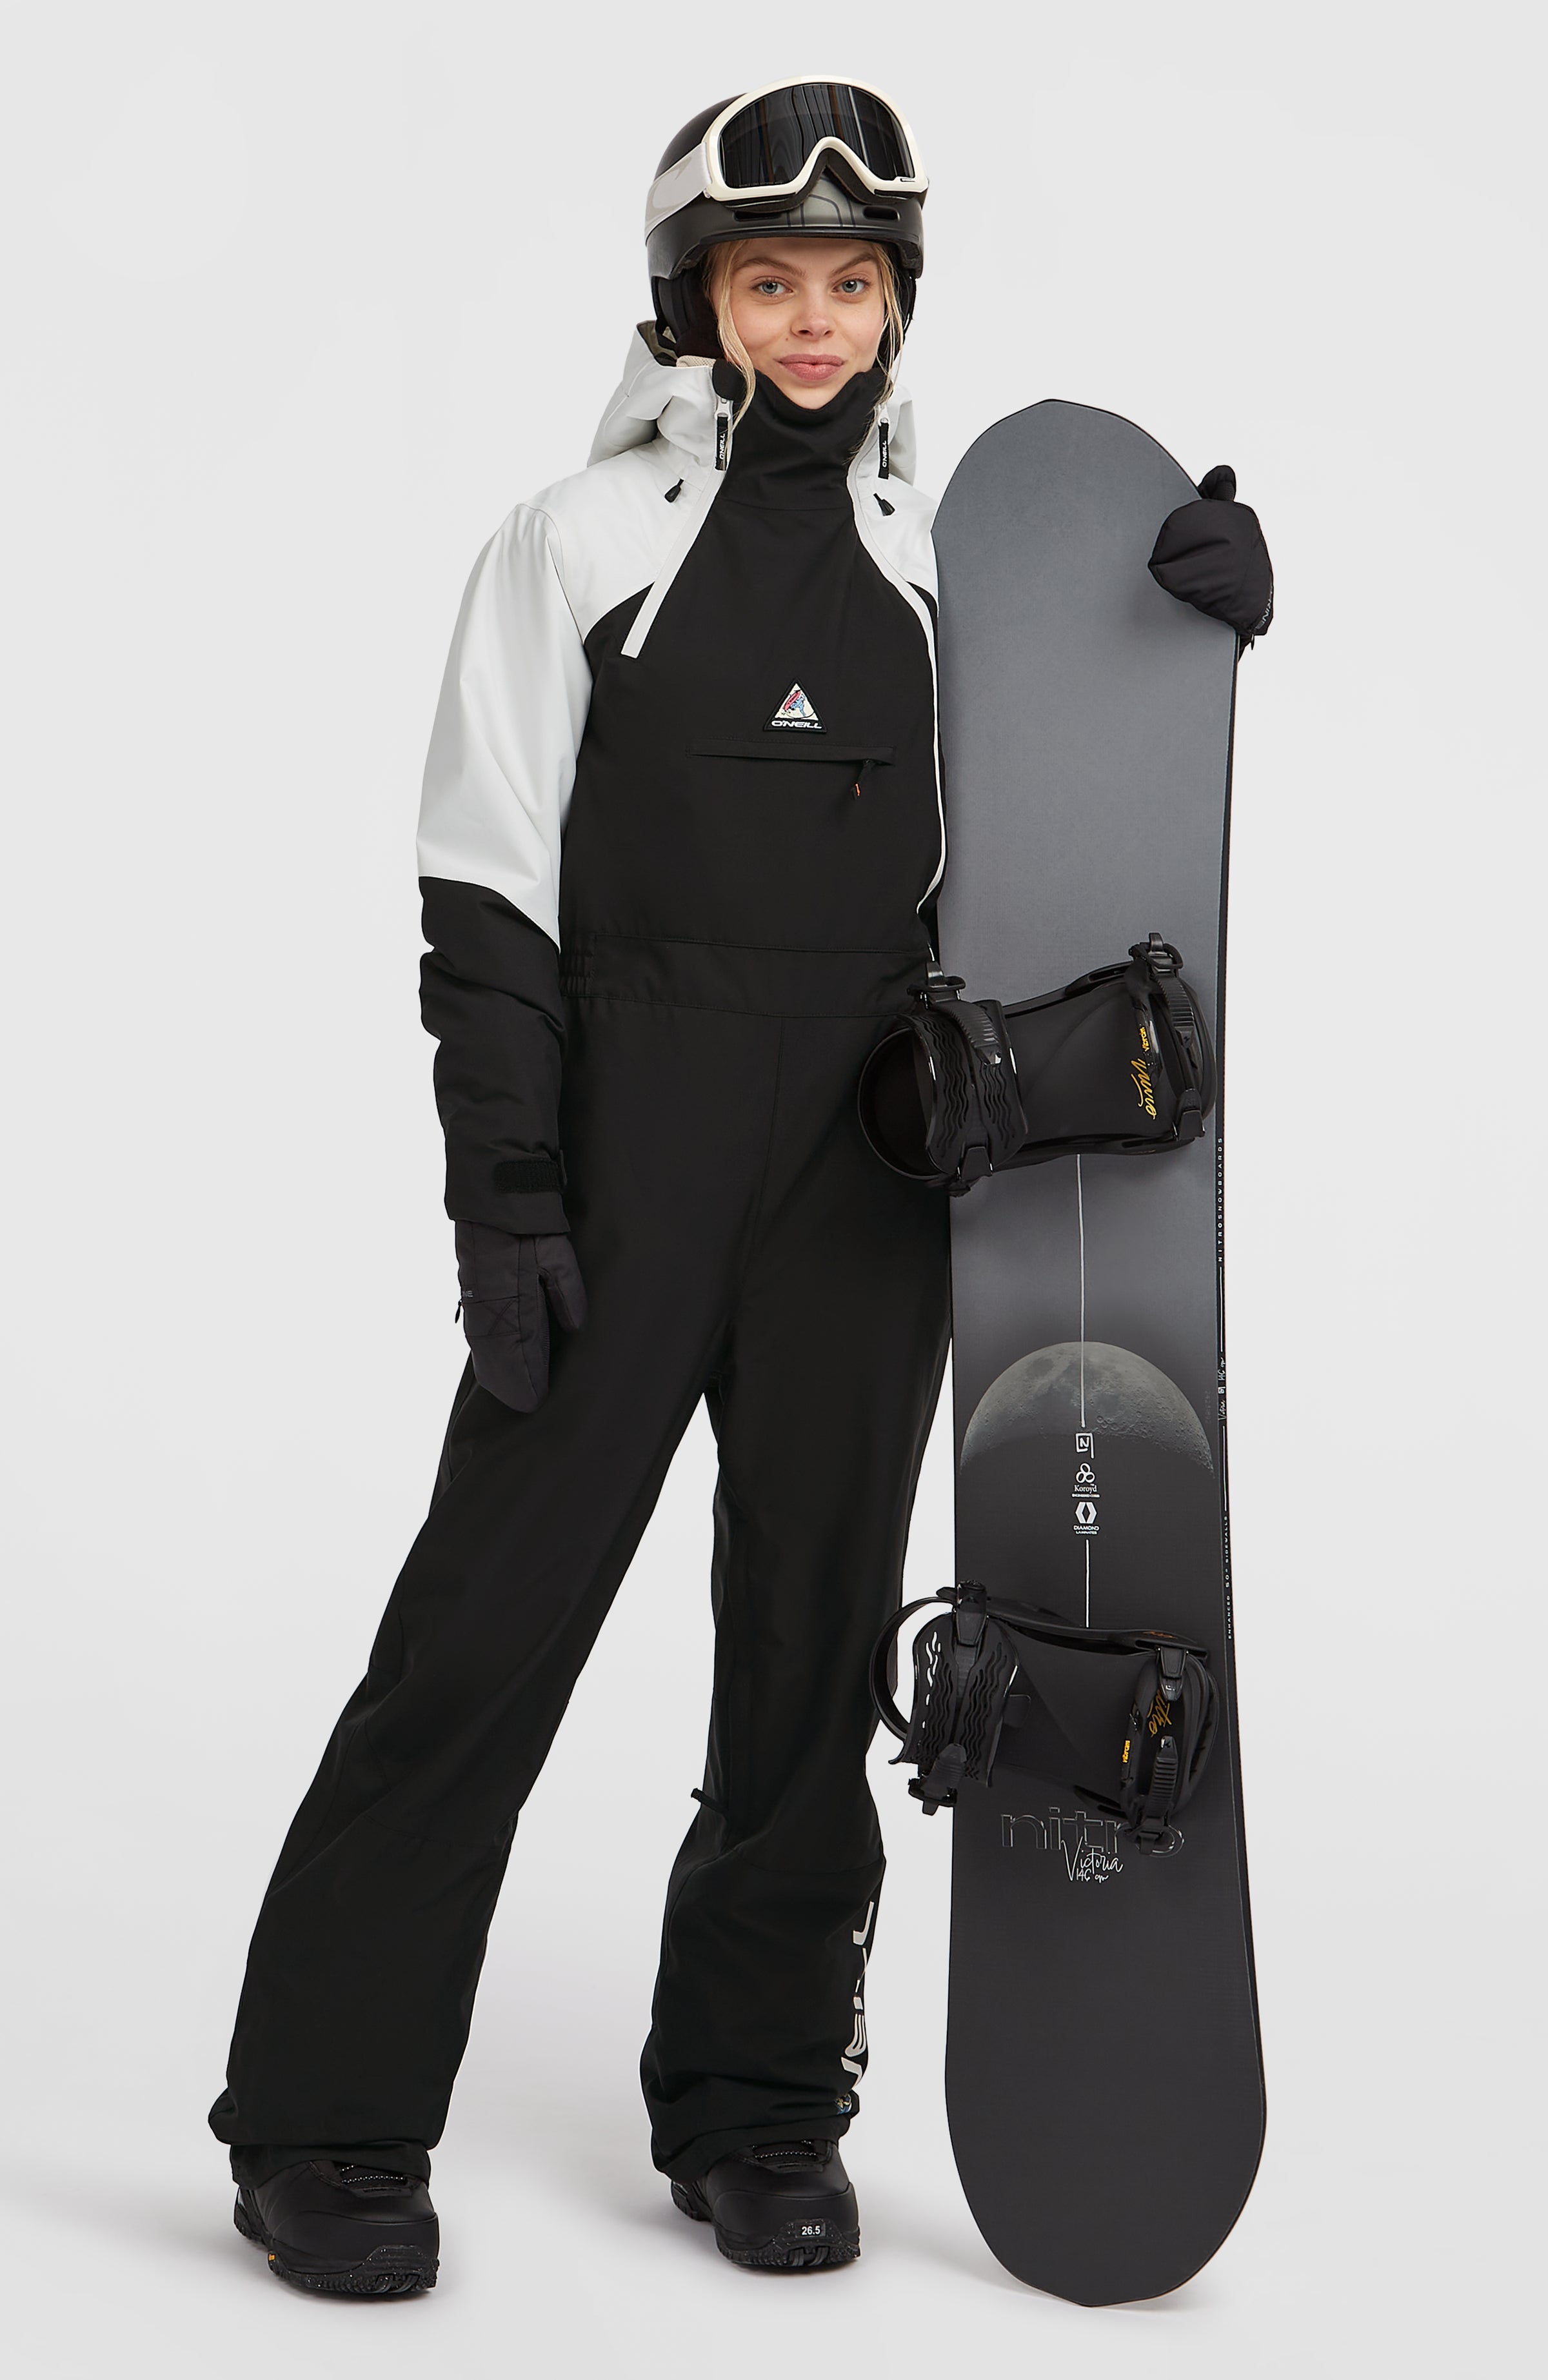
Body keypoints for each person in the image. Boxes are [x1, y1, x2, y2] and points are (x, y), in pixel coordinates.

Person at [210, 79, 1273, 2297]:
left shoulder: (944, 572)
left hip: (865, 1174)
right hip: (627, 1151)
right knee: (483, 1634)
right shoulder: (574, 545)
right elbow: (485, 888)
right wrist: (506, 1191)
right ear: (692, 301)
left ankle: (759, 2101)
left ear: (897, 305)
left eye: (850, 283)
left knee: (808, 1649)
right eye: (767, 280)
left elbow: (1083, 795)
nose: (811, 319)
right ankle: (324, 2121)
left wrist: (1175, 610)